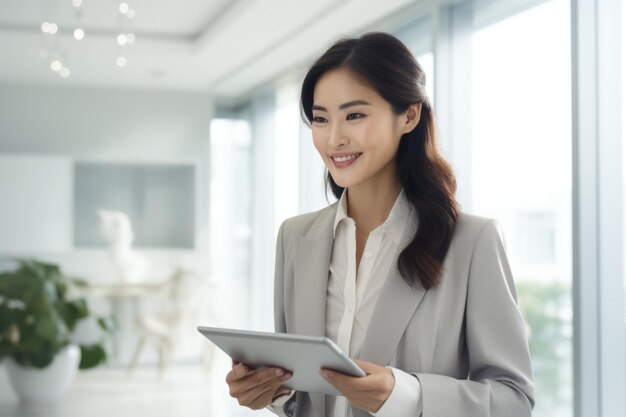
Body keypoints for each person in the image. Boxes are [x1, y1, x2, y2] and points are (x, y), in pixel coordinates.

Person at [225, 32, 534, 417]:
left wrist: (406, 395)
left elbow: (513, 399)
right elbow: (306, 398)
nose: (334, 138)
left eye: (354, 115)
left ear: (409, 115)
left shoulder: (471, 241)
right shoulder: (295, 237)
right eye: (320, 119)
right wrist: (272, 391)